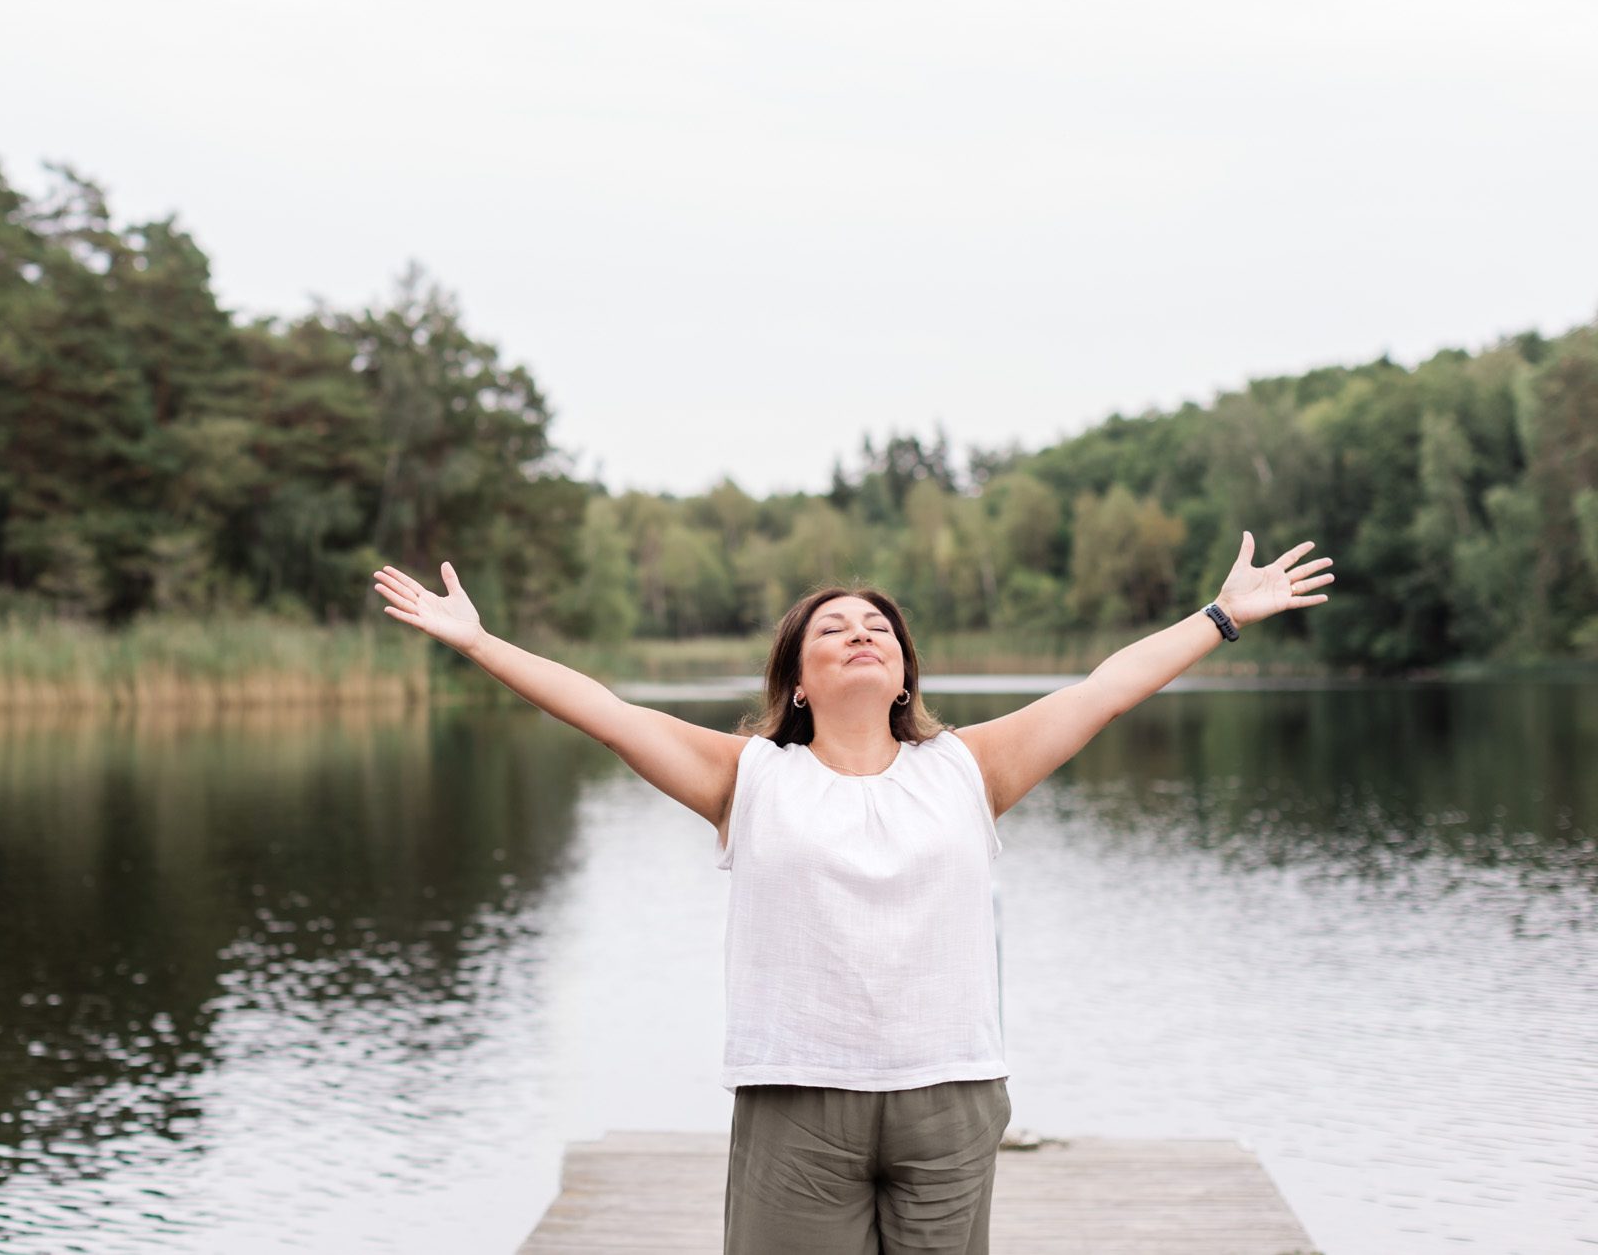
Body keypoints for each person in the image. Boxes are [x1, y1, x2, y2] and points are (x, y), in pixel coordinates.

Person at [371, 532, 1334, 1255]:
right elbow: (607, 711)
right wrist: (480, 642)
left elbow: (1105, 688)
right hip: (798, 1100)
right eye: (834, 629)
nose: (861, 635)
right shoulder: (749, 777)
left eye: (878, 627)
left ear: (905, 669)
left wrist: (1222, 616)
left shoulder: (967, 768)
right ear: (797, 680)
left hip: (948, 1098)